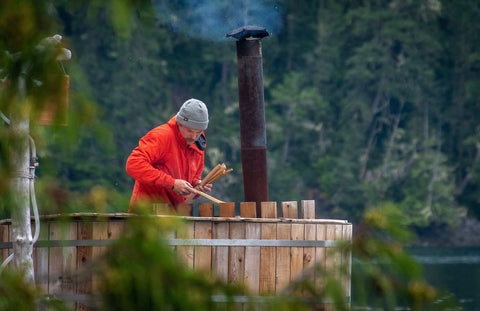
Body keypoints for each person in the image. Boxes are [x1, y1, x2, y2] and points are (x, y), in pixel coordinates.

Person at [126, 98, 212, 212]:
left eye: (198, 132)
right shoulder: (162, 136)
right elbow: (133, 164)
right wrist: (171, 183)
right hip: (146, 215)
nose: (193, 137)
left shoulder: (198, 144)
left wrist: (196, 186)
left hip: (173, 218)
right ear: (180, 123)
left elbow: (191, 181)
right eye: (190, 131)